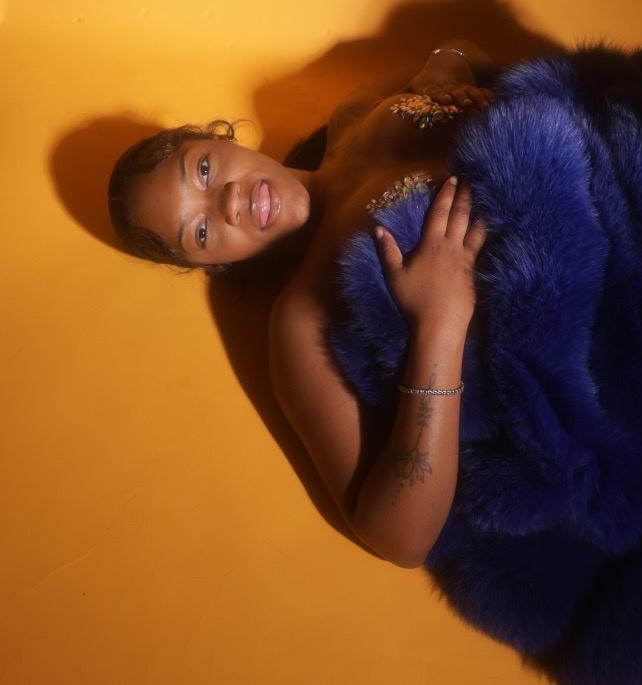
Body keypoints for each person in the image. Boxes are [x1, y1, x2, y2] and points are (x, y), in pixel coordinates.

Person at [108, 41, 495, 570]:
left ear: (217, 138)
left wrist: (444, 76)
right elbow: (398, 538)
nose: (227, 200)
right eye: (200, 231)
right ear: (212, 264)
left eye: (203, 171)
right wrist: (441, 325)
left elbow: (456, 49)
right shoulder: (299, 320)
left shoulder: (352, 116)